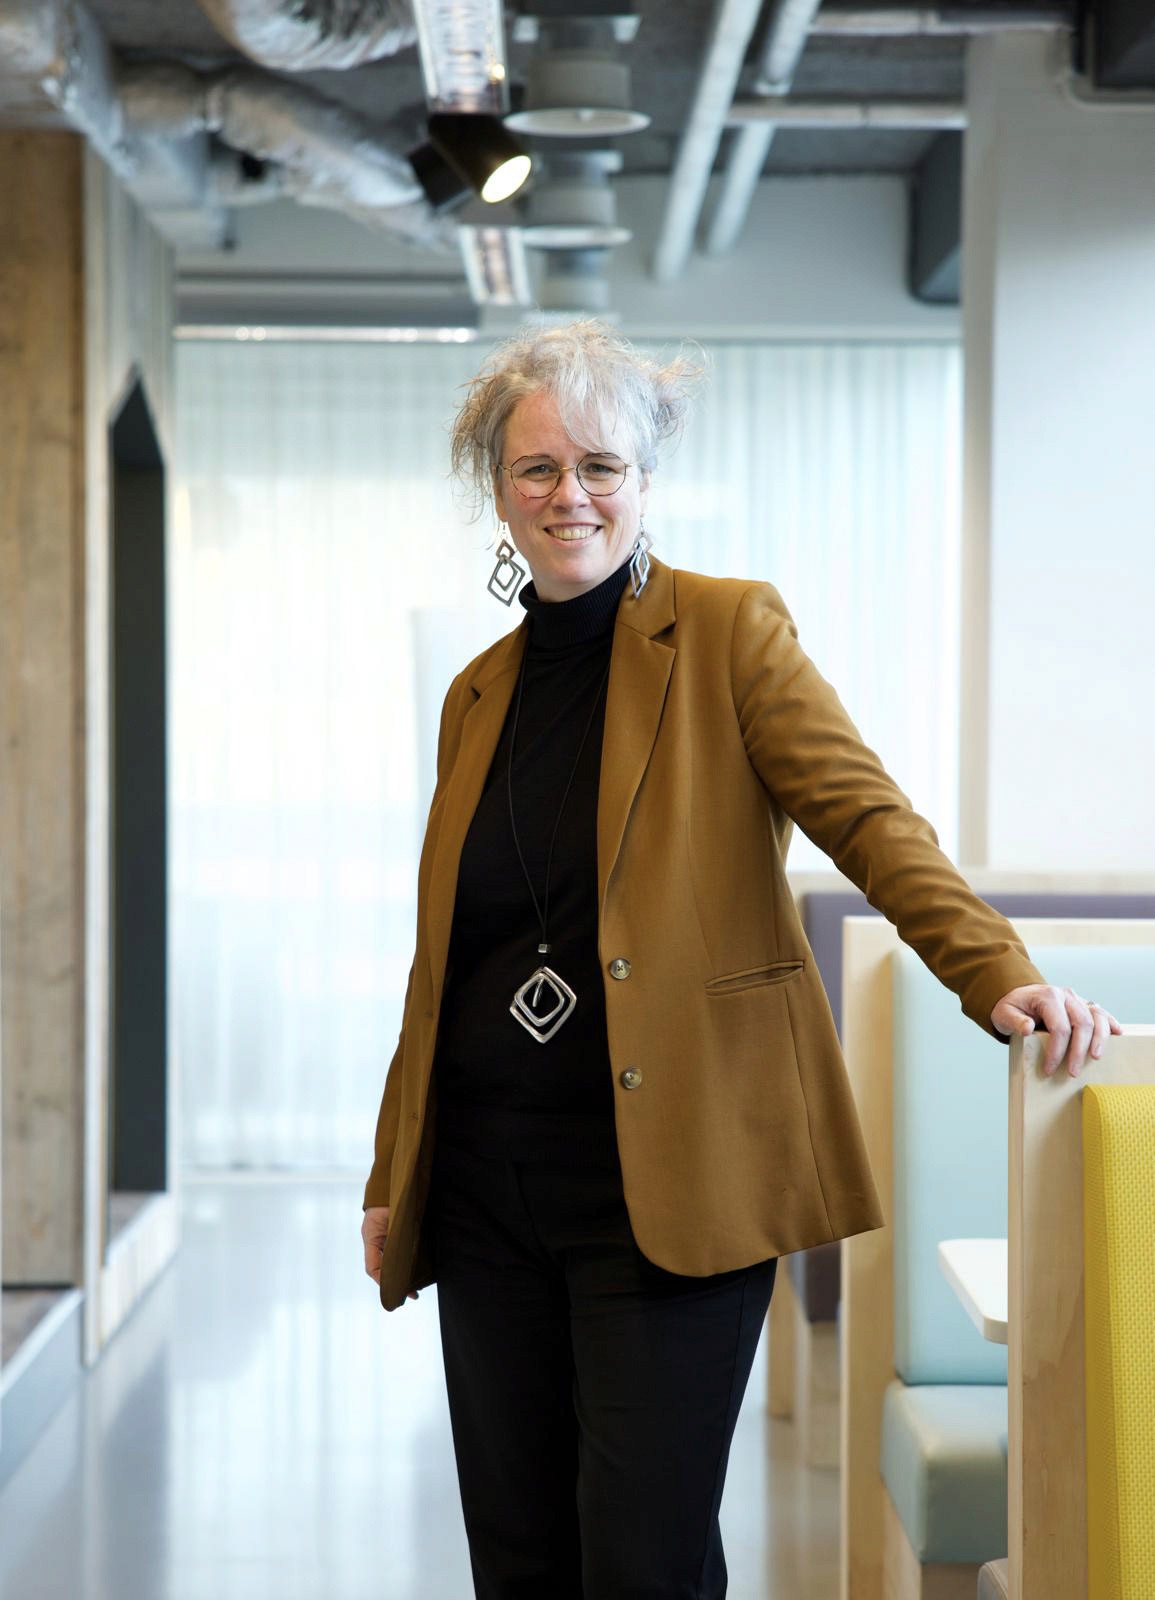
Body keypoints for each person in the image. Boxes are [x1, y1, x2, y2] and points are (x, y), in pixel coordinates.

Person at [360, 319, 1120, 1599]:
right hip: (489, 1192)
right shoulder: (477, 695)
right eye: (537, 468)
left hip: (675, 1180)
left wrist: (997, 972)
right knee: (522, 1554)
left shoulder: (724, 635)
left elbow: (869, 817)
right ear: (496, 488)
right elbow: (444, 961)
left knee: (642, 1558)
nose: (569, 495)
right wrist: (399, 1173)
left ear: (646, 480)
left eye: (600, 465)